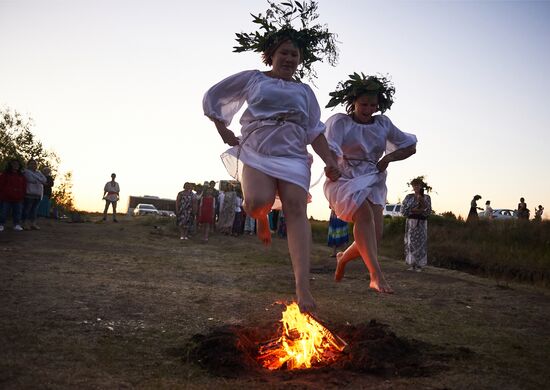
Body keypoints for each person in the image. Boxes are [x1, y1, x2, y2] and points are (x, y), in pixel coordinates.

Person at [202, 1, 340, 312]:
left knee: (295, 209)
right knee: (257, 203)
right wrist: (222, 128)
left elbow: (314, 129)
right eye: (284, 53)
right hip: (257, 148)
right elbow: (215, 96)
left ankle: (302, 287)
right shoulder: (254, 78)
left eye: (295, 54)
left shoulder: (305, 92)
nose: (289, 58)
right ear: (271, 55)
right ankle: (261, 217)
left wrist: (330, 160)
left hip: (292, 153)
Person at [323, 73, 417, 293]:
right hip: (344, 177)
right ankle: (376, 276)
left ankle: (342, 258)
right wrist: (331, 165)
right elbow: (329, 147)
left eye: (373, 105)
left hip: (373, 177)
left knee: (374, 238)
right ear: (353, 102)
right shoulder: (341, 122)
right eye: (363, 104)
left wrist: (388, 158)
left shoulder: (383, 123)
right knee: (363, 217)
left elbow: (410, 146)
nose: (368, 109)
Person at [402, 177, 432, 272]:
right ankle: (412, 264)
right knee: (411, 243)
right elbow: (404, 210)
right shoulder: (408, 197)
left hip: (421, 223)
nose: (416, 187)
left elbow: (428, 211)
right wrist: (416, 210)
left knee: (420, 243)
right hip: (411, 222)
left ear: (421, 186)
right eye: (414, 185)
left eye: (418, 185)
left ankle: (419, 265)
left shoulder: (427, 197)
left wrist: (421, 202)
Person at [0, 159, 27, 232]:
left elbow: (24, 186)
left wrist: (22, 195)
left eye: (17, 164)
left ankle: (16, 224)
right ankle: (1, 224)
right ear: (10, 165)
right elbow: (1, 185)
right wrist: (3, 194)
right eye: (14, 164)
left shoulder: (21, 176)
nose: (16, 166)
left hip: (18, 198)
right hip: (6, 197)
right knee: (3, 212)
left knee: (18, 212)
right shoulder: (5, 174)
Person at [22, 159, 47, 230]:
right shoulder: (26, 172)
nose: (33, 165)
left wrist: (38, 179)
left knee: (34, 210)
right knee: (27, 210)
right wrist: (40, 180)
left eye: (35, 164)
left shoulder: (38, 172)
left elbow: (45, 179)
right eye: (32, 164)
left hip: (38, 194)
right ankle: (24, 223)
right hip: (29, 193)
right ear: (28, 164)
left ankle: (33, 223)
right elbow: (30, 180)